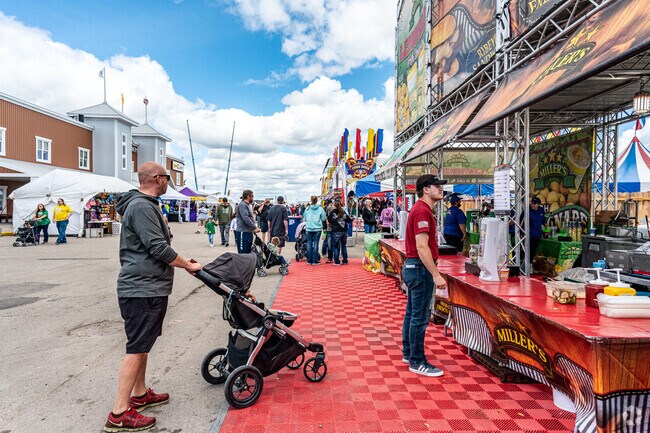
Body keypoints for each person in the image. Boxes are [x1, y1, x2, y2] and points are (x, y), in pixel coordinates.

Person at [105, 162, 202, 432]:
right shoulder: (142, 206)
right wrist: (186, 264)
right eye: (167, 178)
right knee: (136, 348)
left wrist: (182, 261)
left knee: (143, 344)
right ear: (158, 178)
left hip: (147, 286)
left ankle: (139, 394)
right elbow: (157, 247)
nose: (168, 182)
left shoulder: (142, 205)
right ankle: (119, 413)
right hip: (142, 288)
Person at [402, 174, 447, 377]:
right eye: (436, 186)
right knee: (419, 317)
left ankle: (409, 354)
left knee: (413, 313)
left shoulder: (421, 209)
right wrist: (436, 274)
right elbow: (422, 247)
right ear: (425, 189)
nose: (441, 189)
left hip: (414, 267)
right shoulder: (422, 211)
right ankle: (417, 361)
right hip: (419, 268)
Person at [302, 196, 326, 265]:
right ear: (317, 200)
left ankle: (309, 260)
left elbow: (304, 218)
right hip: (317, 228)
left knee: (309, 244)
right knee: (316, 244)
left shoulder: (307, 208)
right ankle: (315, 260)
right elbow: (324, 218)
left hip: (309, 228)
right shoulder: (320, 209)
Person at [328, 201, 352, 266]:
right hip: (344, 231)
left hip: (336, 231)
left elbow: (329, 220)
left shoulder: (333, 212)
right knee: (343, 246)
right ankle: (345, 260)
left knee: (335, 246)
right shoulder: (343, 212)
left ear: (334, 206)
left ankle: (337, 261)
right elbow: (349, 220)